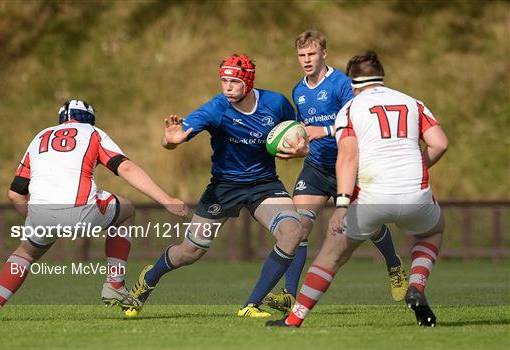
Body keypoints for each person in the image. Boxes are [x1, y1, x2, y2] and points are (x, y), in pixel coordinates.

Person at [267, 51, 448, 328]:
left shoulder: (350, 109)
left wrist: (341, 206)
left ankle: (294, 318)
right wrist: (418, 169)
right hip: (416, 194)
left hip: (371, 197)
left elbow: (348, 158)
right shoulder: (414, 103)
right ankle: (417, 286)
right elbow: (440, 144)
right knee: (432, 231)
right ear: (381, 76)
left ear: (352, 83)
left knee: (331, 255)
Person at [126, 54, 309, 318]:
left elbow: (297, 135)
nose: (227, 87)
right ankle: (149, 278)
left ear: (248, 83)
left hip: (264, 184)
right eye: (223, 80)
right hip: (224, 188)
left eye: (233, 81)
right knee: (190, 252)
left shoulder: (276, 103)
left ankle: (251, 305)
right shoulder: (216, 108)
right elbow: (176, 136)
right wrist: (171, 140)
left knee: (293, 232)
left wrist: (301, 149)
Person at [0, 100, 188, 321]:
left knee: (24, 254)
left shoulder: (40, 136)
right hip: (81, 209)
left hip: (40, 212)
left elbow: (15, 193)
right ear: (89, 118)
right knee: (126, 210)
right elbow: (124, 167)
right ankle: (115, 283)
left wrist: (43, 221)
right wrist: (166, 200)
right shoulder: (93, 133)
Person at [264, 30, 407, 314]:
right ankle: (289, 294)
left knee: (370, 226)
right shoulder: (299, 90)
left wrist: (326, 130)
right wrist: (299, 148)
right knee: (299, 227)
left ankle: (394, 266)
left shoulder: (342, 83)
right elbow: (303, 130)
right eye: (301, 55)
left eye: (312, 54)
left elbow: (357, 119)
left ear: (323, 54)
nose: (306, 60)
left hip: (349, 164)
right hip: (316, 167)